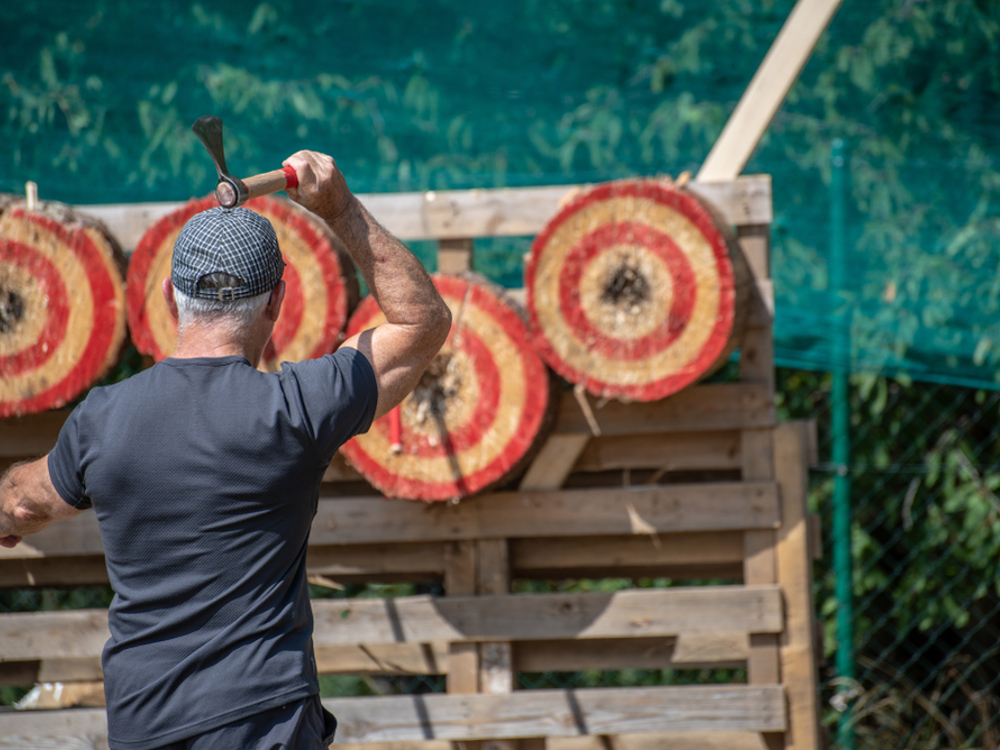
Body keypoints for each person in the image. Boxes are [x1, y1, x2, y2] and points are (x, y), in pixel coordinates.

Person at [0, 151, 452, 750]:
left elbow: (22, 503)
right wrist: (340, 208)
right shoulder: (297, 409)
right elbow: (422, 323)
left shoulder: (101, 422)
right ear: (276, 303)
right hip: (264, 724)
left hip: (145, 725)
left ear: (170, 298)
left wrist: (8, 515)